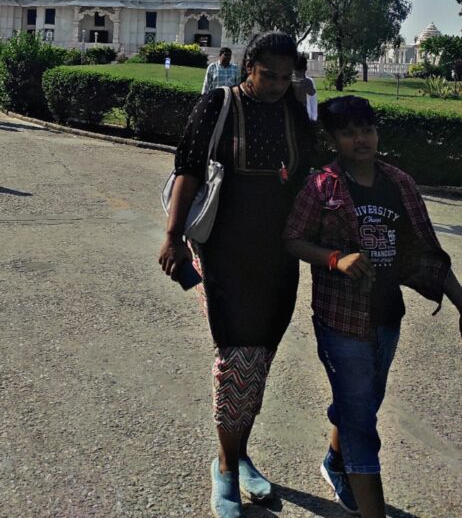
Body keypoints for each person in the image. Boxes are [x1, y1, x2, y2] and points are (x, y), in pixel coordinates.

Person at [159, 31, 314, 518]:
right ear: (249, 67)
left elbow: (313, 166)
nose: (275, 85)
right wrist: (173, 235)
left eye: (286, 77)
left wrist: (309, 100)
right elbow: (187, 167)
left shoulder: (293, 107)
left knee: (260, 356)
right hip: (224, 248)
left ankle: (240, 452)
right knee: (239, 354)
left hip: (277, 251)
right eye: (267, 75)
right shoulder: (219, 103)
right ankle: (225, 466)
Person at [284, 96, 462, 518]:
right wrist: (334, 258)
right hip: (341, 320)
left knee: (361, 404)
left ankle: (334, 461)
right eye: (348, 132)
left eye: (366, 129)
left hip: (386, 319)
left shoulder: (399, 182)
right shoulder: (322, 187)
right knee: (362, 423)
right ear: (333, 138)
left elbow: (428, 254)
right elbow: (291, 238)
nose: (360, 139)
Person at [292, 52, 318, 121]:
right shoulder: (307, 82)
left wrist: (313, 118)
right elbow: (313, 97)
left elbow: (313, 102)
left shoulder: (309, 81)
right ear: (305, 68)